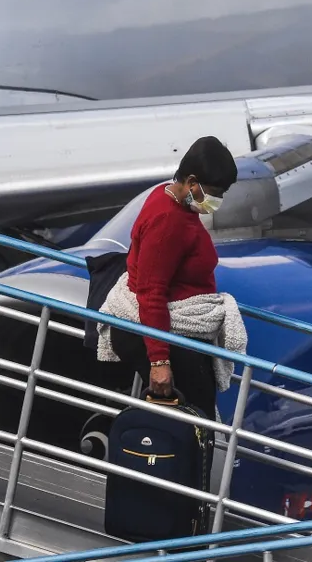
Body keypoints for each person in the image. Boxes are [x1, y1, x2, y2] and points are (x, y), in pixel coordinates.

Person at [96, 136, 245, 419]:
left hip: (170, 330)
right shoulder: (168, 222)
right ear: (191, 182)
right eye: (214, 192)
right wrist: (159, 361)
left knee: (194, 420)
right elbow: (151, 292)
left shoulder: (170, 198)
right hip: (163, 335)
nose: (218, 201)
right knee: (197, 420)